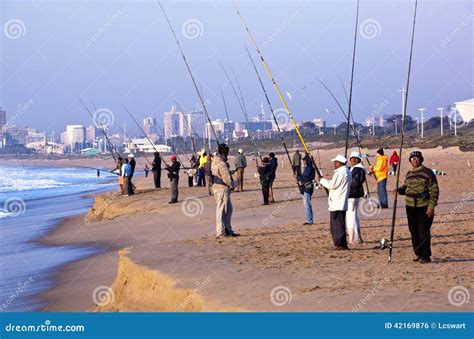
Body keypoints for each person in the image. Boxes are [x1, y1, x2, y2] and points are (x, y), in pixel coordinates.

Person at [397, 151, 439, 263]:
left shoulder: (428, 173)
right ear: (410, 160)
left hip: (423, 205)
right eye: (412, 158)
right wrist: (399, 190)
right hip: (410, 206)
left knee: (423, 230)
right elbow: (406, 187)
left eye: (417, 158)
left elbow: (434, 190)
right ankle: (418, 253)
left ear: (421, 159)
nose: (415, 160)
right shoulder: (409, 173)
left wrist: (431, 207)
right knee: (413, 231)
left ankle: (425, 256)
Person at [318, 154, 352, 250]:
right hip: (340, 202)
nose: (334, 164)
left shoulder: (341, 172)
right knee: (339, 225)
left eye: (335, 162)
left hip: (337, 203)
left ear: (339, 163)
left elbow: (332, 185)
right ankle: (341, 244)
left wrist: (322, 180)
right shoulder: (346, 171)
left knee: (337, 226)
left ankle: (340, 244)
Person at [212, 143, 239, 238]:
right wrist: (233, 184)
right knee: (221, 210)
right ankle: (220, 232)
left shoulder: (214, 161)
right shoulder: (222, 164)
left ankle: (228, 229)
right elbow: (226, 178)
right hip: (222, 189)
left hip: (217, 188)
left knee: (229, 209)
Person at [346, 151, 366, 244]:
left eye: (354, 158)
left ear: (358, 159)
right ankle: (356, 237)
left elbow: (356, 182)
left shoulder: (359, 169)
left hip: (353, 195)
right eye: (351, 158)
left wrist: (347, 184)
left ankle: (354, 238)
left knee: (351, 217)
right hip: (351, 195)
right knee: (353, 216)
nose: (352, 160)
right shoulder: (353, 168)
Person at [297, 154, 316, 225]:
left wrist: (299, 177)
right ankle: (308, 219)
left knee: (307, 204)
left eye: (305, 160)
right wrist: (298, 176)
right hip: (305, 187)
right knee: (306, 204)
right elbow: (303, 177)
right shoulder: (307, 168)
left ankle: (309, 220)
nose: (304, 162)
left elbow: (305, 179)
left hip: (308, 187)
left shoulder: (310, 168)